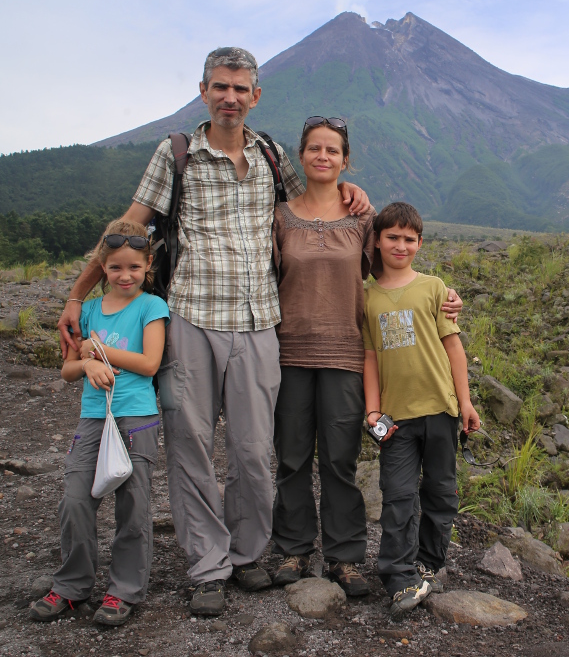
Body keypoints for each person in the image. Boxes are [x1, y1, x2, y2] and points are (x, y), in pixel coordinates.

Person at [56, 47, 371, 617]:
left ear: (256, 95)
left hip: (259, 324)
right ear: (203, 91)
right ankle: (207, 565)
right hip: (191, 320)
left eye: (241, 88)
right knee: (191, 446)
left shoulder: (274, 155)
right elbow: (128, 227)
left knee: (254, 450)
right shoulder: (175, 153)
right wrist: (79, 294)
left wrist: (356, 194)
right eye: (220, 87)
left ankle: (248, 553)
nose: (230, 97)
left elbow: (314, 197)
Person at [270, 118, 463, 597]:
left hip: (346, 353)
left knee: (340, 458)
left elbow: (397, 272)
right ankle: (294, 548)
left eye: (332, 150)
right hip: (290, 350)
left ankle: (344, 557)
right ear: (301, 155)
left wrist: (444, 297)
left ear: (345, 159)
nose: (322, 156)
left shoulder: (362, 218)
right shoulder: (279, 217)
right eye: (314, 148)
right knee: (292, 456)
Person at [32, 219, 169, 626]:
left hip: (136, 418)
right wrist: (88, 361)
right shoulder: (88, 311)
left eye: (134, 267)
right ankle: (73, 586)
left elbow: (150, 363)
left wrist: (100, 350)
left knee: (133, 506)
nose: (125, 276)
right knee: (75, 499)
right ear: (102, 268)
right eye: (115, 268)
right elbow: (67, 371)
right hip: (92, 418)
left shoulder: (151, 307)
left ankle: (123, 591)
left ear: (148, 267)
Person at [363, 202, 481, 619]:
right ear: (376, 239)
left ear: (420, 243)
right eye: (392, 237)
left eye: (408, 239)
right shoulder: (366, 295)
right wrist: (372, 411)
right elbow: (372, 357)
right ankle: (398, 577)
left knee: (439, 492)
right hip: (396, 419)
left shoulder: (434, 288)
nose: (400, 245)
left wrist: (464, 402)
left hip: (441, 411)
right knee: (397, 496)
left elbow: (453, 348)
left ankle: (429, 562)